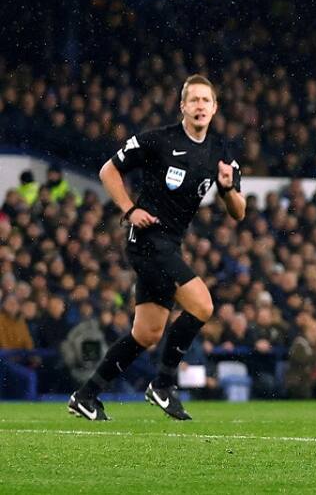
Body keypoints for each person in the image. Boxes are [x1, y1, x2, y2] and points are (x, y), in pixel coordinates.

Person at [68, 74, 245, 421]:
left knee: (146, 333)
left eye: (205, 101)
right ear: (182, 106)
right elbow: (108, 171)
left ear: (215, 108)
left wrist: (228, 189)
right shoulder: (158, 140)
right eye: (192, 100)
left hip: (170, 245)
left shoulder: (220, 153)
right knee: (203, 305)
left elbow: (239, 213)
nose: (199, 106)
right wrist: (129, 209)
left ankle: (85, 396)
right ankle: (163, 385)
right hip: (147, 241)